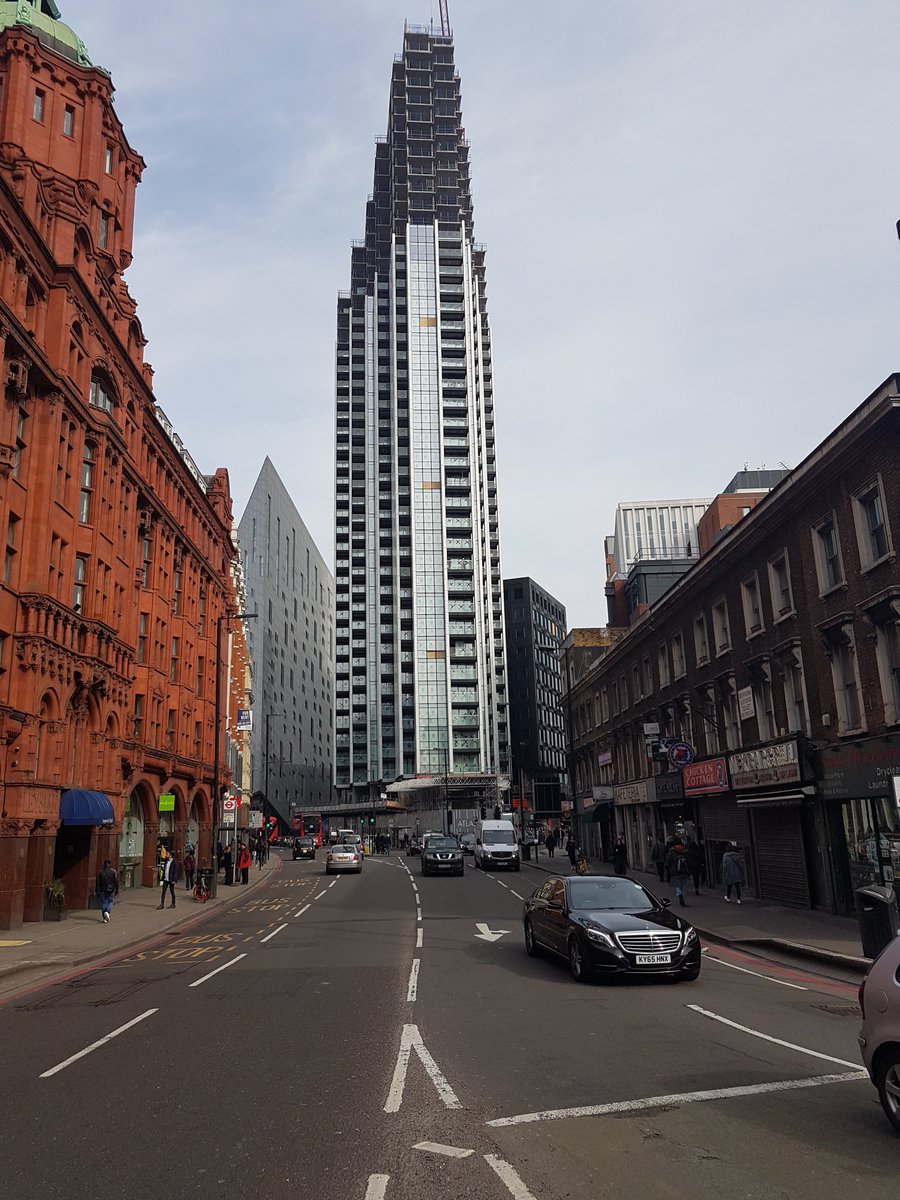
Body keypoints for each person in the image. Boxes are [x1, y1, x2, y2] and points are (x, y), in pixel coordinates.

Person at [666, 836, 690, 907]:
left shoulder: (672, 852)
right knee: (683, 886)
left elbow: (669, 862)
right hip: (684, 871)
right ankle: (682, 897)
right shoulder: (683, 850)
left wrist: (667, 867)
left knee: (677, 885)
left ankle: (679, 894)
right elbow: (688, 860)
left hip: (676, 871)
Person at [95, 859, 118, 923]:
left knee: (104, 903)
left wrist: (97, 890)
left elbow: (98, 882)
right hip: (111, 889)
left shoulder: (100, 872)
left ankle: (104, 918)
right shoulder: (113, 871)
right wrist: (117, 889)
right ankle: (107, 912)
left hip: (102, 889)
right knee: (110, 901)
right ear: (110, 864)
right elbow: (115, 881)